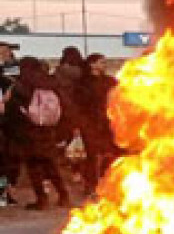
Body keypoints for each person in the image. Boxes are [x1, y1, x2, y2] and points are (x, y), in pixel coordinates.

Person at [6, 57, 70, 209]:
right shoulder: (50, 82)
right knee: (50, 164)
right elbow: (65, 104)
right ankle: (63, 195)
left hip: (28, 131)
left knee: (34, 166)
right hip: (48, 130)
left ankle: (42, 199)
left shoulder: (21, 85)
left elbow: (14, 109)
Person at [79, 53, 118, 194]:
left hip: (108, 123)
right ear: (92, 64)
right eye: (101, 62)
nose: (104, 65)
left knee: (110, 153)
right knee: (92, 156)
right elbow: (79, 105)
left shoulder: (109, 81)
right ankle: (90, 185)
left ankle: (107, 182)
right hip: (90, 124)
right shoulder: (83, 83)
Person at [0, 41, 21, 204]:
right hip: (4, 119)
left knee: (10, 158)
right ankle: (4, 192)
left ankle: (9, 189)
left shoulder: (15, 68)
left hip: (13, 120)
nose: (4, 54)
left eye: (6, 51)